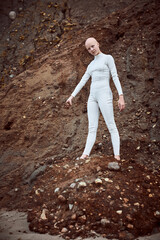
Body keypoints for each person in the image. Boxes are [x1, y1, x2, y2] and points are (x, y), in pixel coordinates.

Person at [66, 37, 125, 160]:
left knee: (111, 125)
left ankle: (117, 156)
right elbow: (82, 81)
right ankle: (85, 154)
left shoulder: (108, 58)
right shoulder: (91, 65)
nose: (91, 49)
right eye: (88, 48)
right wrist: (72, 96)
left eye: (92, 46)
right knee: (92, 127)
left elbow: (115, 77)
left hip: (105, 94)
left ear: (98, 44)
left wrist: (121, 96)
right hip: (92, 97)